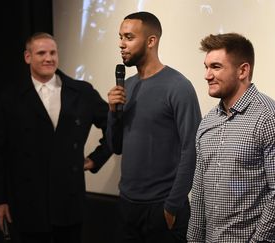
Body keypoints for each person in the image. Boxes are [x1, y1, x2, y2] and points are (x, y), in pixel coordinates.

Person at [0, 32, 112, 243]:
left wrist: (95, 159)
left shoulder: (81, 91)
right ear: (28, 57)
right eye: (41, 53)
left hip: (68, 198)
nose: (49, 58)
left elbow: (114, 126)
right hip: (28, 201)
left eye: (53, 52)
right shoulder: (12, 97)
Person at [187, 33, 275, 243]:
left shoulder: (273, 119)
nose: (207, 75)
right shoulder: (208, 122)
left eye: (216, 67)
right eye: (206, 67)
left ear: (243, 70)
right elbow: (200, 191)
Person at [106, 11, 202, 243]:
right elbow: (115, 147)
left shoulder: (178, 87)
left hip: (163, 207)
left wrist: (172, 206)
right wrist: (112, 113)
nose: (121, 44)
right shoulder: (126, 86)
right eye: (120, 37)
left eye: (129, 37)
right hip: (128, 206)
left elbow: (192, 149)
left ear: (151, 41)